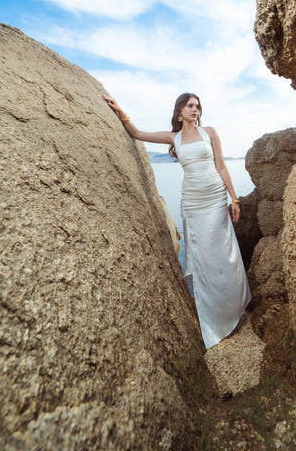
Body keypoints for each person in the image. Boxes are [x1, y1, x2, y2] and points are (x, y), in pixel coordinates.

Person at [102, 92, 252, 350]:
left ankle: (234, 307)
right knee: (204, 257)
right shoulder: (174, 138)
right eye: (190, 106)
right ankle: (212, 314)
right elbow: (138, 134)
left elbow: (222, 166)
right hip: (193, 203)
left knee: (223, 252)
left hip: (215, 199)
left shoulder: (210, 133)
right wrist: (120, 111)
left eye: (197, 106)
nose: (195, 110)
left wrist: (234, 199)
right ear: (180, 110)